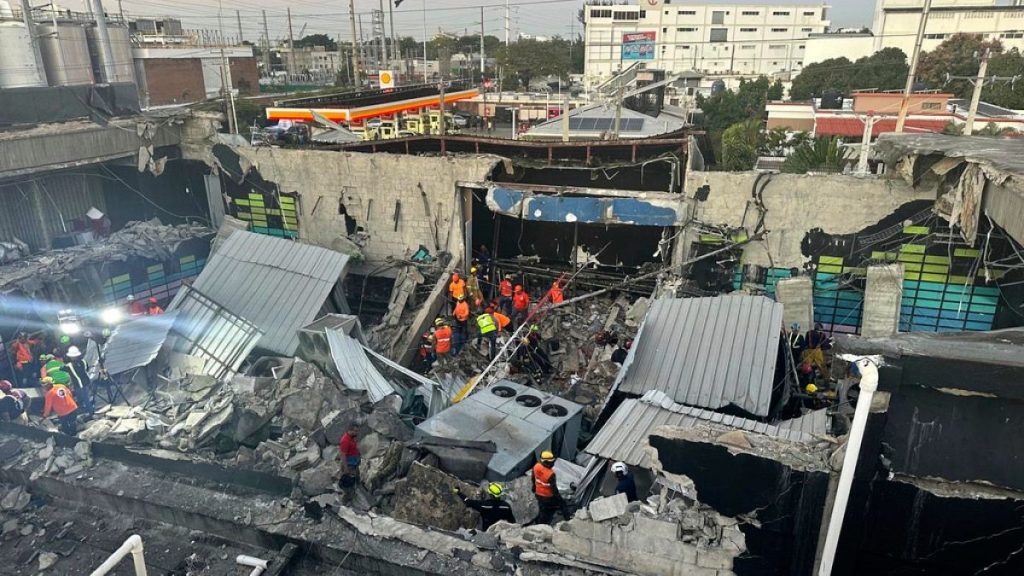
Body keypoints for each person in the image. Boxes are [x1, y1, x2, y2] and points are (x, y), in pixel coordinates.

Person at [532, 450, 570, 525]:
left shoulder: (536, 466)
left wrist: (534, 488)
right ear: (545, 462)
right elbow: (554, 489)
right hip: (547, 496)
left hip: (538, 493)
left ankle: (538, 522)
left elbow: (533, 478)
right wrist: (560, 499)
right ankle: (568, 519)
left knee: (542, 509)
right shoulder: (550, 474)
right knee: (561, 505)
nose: (552, 464)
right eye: (550, 463)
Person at [64, 346, 94, 416]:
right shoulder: (84, 361)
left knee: (83, 399)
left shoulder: (69, 365)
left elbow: (61, 368)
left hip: (78, 385)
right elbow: (87, 369)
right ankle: (87, 411)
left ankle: (90, 412)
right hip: (86, 382)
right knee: (86, 398)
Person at [338, 424, 361, 493]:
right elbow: (343, 455)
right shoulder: (345, 441)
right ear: (350, 430)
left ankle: (356, 492)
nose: (357, 433)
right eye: (355, 431)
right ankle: (348, 498)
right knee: (349, 483)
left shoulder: (351, 438)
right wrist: (346, 468)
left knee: (356, 479)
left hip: (354, 464)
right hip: (349, 465)